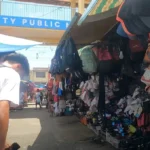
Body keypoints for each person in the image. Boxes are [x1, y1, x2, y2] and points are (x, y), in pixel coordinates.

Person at [0, 52, 29, 150]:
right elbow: (2, 107)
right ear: (18, 66)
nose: (20, 78)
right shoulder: (12, 73)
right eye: (22, 75)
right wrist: (1, 144)